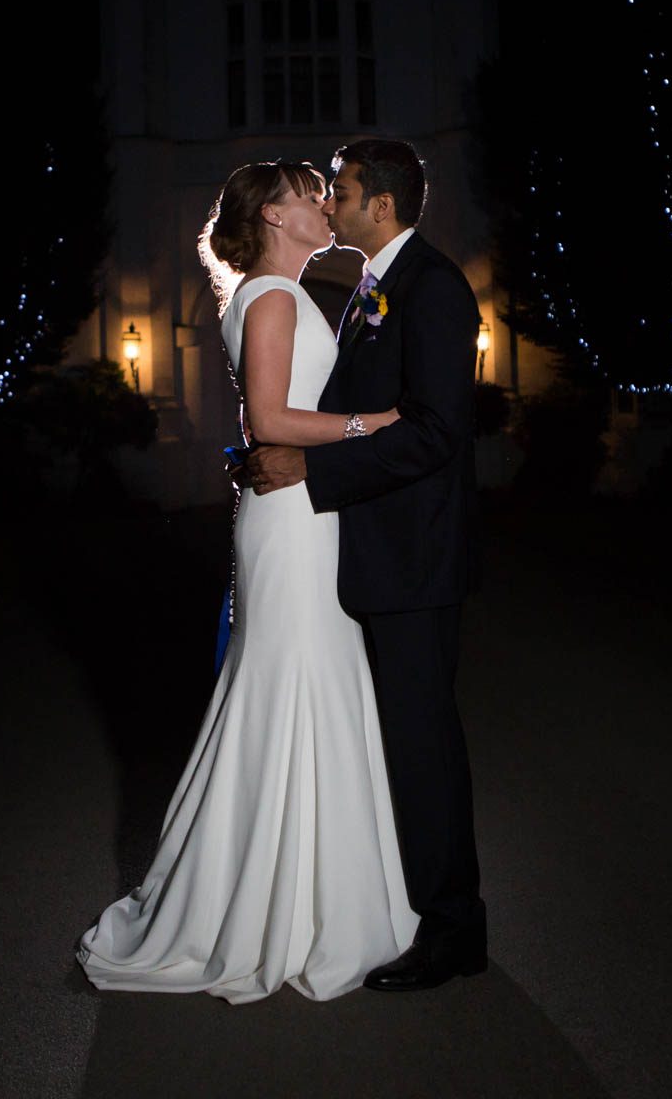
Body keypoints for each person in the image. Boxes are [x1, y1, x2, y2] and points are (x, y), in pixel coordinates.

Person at [75, 160, 417, 1003]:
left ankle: (316, 893)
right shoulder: (269, 298)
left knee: (313, 679)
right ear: (272, 214)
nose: (323, 202)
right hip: (294, 521)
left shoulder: (281, 293)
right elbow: (267, 419)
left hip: (302, 511)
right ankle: (286, 905)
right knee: (296, 682)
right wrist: (383, 423)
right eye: (309, 193)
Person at [242, 138, 486, 992]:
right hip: (373, 553)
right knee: (399, 742)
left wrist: (313, 467)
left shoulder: (435, 288)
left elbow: (434, 430)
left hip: (416, 557)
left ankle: (454, 929)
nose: (333, 200)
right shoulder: (369, 293)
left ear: (378, 205)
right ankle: (415, 907)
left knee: (423, 744)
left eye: (340, 190)